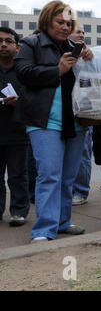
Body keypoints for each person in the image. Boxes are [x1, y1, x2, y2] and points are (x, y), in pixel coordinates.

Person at [14, 0, 94, 243]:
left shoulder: (75, 46)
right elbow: (23, 73)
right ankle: (44, 229)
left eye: (69, 23)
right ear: (47, 20)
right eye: (60, 22)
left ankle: (62, 221)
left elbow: (88, 79)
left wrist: (89, 59)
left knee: (68, 177)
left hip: (75, 122)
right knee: (49, 175)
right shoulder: (31, 43)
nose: (65, 27)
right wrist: (56, 70)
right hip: (44, 120)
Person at [0, 27, 30, 227]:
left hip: (18, 132)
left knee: (18, 175)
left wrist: (19, 101)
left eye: (8, 41)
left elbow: (35, 99)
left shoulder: (24, 71)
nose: (3, 44)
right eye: (0, 41)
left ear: (17, 46)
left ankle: (19, 212)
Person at [69, 25, 92, 206]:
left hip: (84, 109)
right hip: (66, 109)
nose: (81, 34)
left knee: (83, 152)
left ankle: (81, 191)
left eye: (83, 32)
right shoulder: (64, 53)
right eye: (78, 31)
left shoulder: (88, 55)